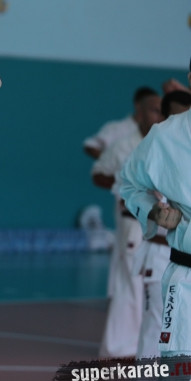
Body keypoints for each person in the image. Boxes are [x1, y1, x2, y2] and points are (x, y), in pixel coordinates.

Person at [119, 58, 191, 357]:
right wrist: (153, 210)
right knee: (179, 370)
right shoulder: (166, 137)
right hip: (187, 280)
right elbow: (129, 184)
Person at [92, 88, 163, 358]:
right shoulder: (123, 145)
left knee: (155, 288)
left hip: (161, 228)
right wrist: (124, 186)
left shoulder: (164, 143)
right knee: (130, 283)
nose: (159, 115)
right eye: (154, 110)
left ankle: (146, 346)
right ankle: (119, 349)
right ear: (139, 114)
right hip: (132, 224)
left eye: (162, 111)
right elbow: (98, 174)